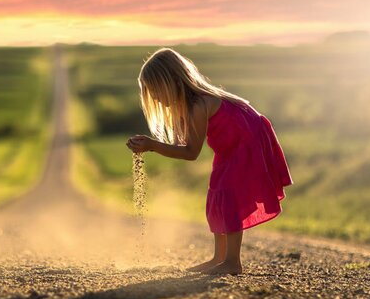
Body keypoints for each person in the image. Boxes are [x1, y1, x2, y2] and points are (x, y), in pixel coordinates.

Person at [126, 47, 294, 275]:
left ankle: (232, 261)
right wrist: (150, 144)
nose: (154, 97)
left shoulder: (198, 105)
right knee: (216, 192)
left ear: (173, 81)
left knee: (229, 193)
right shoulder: (192, 105)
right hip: (231, 148)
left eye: (155, 91)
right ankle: (219, 257)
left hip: (247, 143)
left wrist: (152, 145)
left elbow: (190, 153)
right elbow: (187, 146)